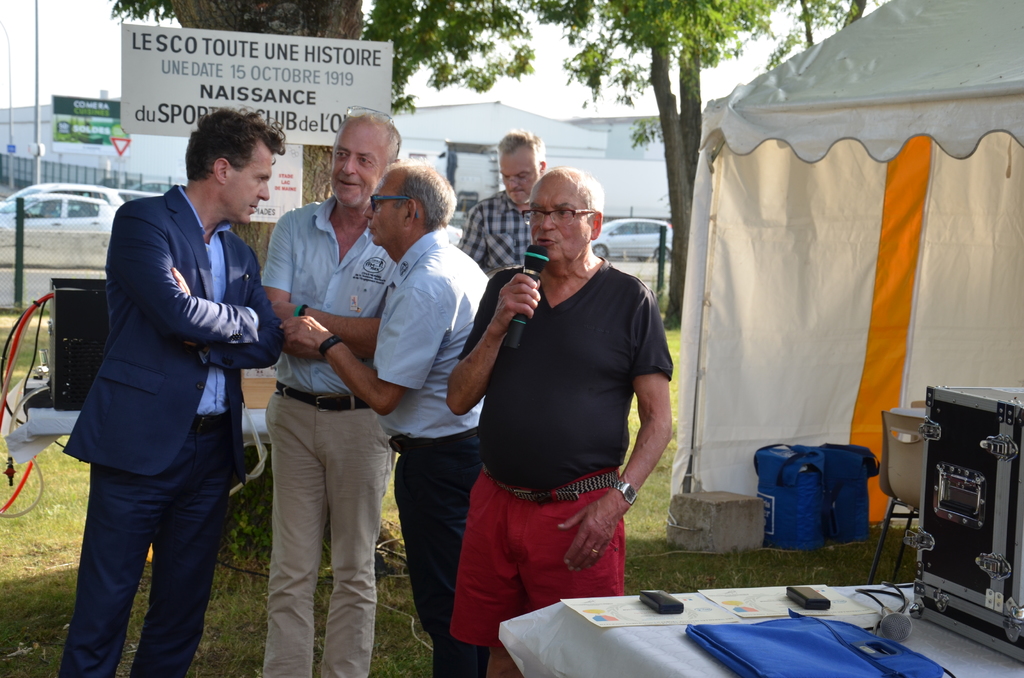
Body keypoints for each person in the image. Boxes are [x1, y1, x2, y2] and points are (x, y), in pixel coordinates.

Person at [58, 108, 285, 678]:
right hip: (138, 447)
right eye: (260, 177)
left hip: (211, 455)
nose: (265, 192)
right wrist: (226, 321)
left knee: (182, 613)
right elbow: (174, 314)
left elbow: (269, 340)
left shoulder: (240, 253)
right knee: (103, 608)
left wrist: (205, 331)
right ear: (222, 170)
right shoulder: (143, 222)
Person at [446, 167, 674, 678]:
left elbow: (659, 421)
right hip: (497, 503)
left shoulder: (629, 299)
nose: (545, 225)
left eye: (563, 213)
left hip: (579, 514)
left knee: (576, 660)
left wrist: (617, 502)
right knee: (501, 651)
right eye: (537, 213)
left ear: (595, 224)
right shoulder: (507, 287)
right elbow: (458, 399)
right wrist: (498, 326)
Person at [284, 160, 490, 678]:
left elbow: (383, 396)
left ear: (410, 212)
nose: (369, 212)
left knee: (448, 613)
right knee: (461, 606)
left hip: (439, 464)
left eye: (380, 203)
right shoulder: (447, 263)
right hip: (456, 455)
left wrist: (327, 343)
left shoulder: (426, 283)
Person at [260, 106, 400, 678]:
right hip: (293, 414)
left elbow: (390, 336)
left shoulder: (398, 241)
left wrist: (314, 329)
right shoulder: (295, 225)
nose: (348, 169)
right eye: (342, 154)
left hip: (362, 420)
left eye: (364, 159)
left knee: (354, 571)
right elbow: (272, 311)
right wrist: (344, 336)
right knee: (289, 570)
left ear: (388, 170)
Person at [458, 130, 546, 274]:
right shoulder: (483, 214)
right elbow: (463, 273)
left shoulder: (560, 213)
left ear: (541, 167)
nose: (512, 185)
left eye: (521, 176)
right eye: (506, 177)